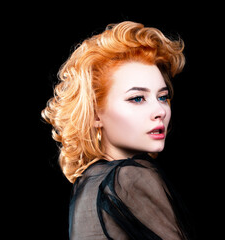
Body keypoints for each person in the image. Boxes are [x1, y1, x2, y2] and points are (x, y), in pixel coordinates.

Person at [42, 21, 193, 239]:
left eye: (162, 97)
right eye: (137, 98)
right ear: (95, 114)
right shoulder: (130, 178)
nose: (159, 110)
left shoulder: (88, 182)